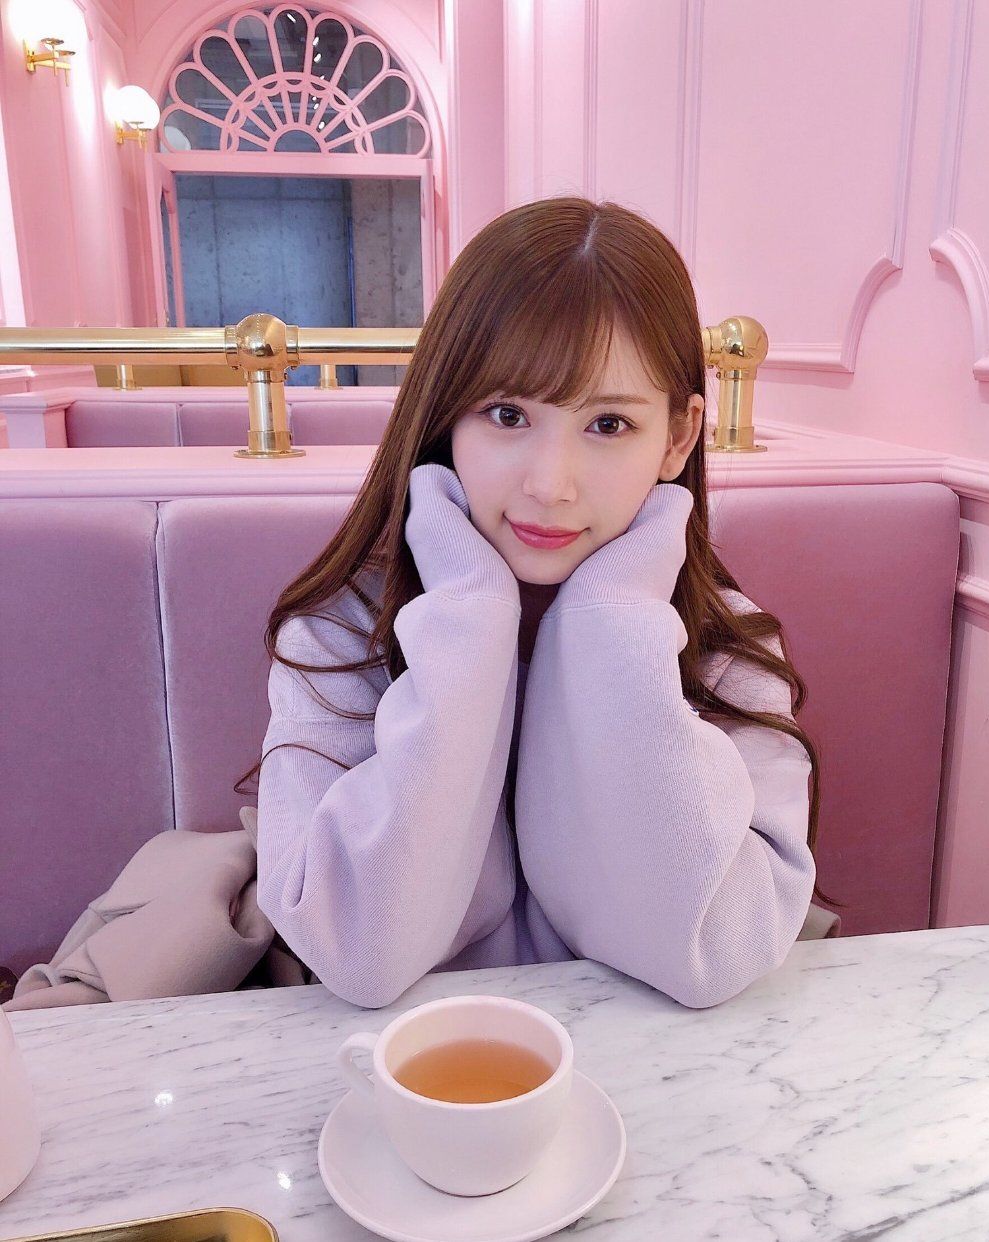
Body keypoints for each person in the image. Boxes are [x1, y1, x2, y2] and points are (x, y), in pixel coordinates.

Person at [234, 195, 843, 1011]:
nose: (551, 485)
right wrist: (469, 627)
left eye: (609, 425)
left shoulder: (726, 649)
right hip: (409, 1065)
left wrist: (611, 630)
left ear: (677, 437)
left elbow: (706, 953)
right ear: (445, 418)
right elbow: (361, 952)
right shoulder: (340, 635)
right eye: (508, 414)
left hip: (648, 1069)